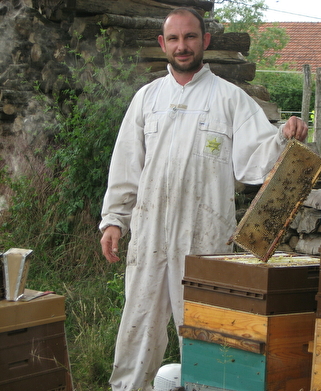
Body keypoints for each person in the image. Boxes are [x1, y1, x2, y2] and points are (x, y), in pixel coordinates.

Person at [100, 7, 308, 391]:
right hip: (148, 236)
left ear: (205, 41)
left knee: (204, 328)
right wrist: (115, 220)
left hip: (205, 238)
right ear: (163, 44)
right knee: (138, 323)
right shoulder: (147, 99)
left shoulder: (231, 99)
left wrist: (285, 134)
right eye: (174, 39)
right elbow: (126, 165)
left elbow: (259, 157)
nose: (182, 46)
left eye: (190, 37)